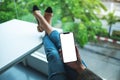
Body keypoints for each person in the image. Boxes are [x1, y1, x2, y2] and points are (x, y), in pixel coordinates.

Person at [33, 5, 102, 80]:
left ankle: (42, 22)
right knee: (63, 47)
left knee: (53, 55)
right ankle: (45, 25)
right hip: (85, 77)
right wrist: (80, 67)